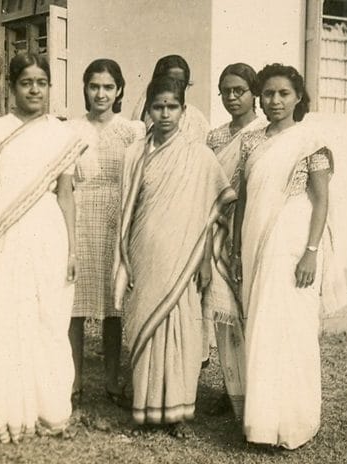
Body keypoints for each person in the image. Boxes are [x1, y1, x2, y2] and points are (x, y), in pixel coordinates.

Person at [231, 63, 347, 449]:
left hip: (294, 242)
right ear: (259, 98)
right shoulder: (251, 142)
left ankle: (294, 424)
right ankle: (262, 425)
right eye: (267, 94)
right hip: (254, 242)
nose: (274, 101)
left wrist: (311, 253)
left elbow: (321, 200)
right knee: (261, 326)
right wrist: (235, 250)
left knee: (292, 329)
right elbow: (243, 202)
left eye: (283, 93)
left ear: (298, 97)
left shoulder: (310, 140)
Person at [0, 52, 87, 443]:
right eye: (26, 82)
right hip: (8, 237)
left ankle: (51, 411)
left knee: (51, 321)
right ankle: (11, 417)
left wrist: (73, 250)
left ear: (50, 87)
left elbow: (67, 197)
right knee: (11, 322)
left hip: (50, 235)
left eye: (42, 82)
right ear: (12, 87)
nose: (34, 89)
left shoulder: (61, 134)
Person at [115, 76, 235, 438]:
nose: (165, 113)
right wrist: (125, 258)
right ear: (148, 110)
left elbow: (215, 211)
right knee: (143, 326)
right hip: (145, 251)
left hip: (185, 257)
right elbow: (126, 210)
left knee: (182, 330)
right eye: (158, 106)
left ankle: (178, 415)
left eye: (172, 106)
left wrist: (203, 260)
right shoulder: (134, 152)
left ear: (184, 110)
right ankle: (145, 409)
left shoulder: (200, 155)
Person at [67, 59, 145, 408]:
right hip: (79, 217)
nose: (101, 93)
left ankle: (113, 381)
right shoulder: (70, 129)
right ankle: (74, 380)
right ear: (85, 89)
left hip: (118, 218)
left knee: (114, 307)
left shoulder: (132, 130)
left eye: (108, 87)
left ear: (119, 91)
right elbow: (63, 184)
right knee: (75, 305)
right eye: (94, 86)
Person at [204, 63, 267, 420]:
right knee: (224, 312)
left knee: (250, 311)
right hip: (220, 230)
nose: (231, 97)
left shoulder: (264, 133)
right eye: (225, 91)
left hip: (254, 227)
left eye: (238, 90)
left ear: (253, 92)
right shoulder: (214, 137)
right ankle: (233, 391)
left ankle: (257, 390)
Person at [130, 55, 210, 144]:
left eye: (181, 83)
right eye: (170, 80)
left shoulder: (197, 119)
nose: (175, 86)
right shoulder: (144, 113)